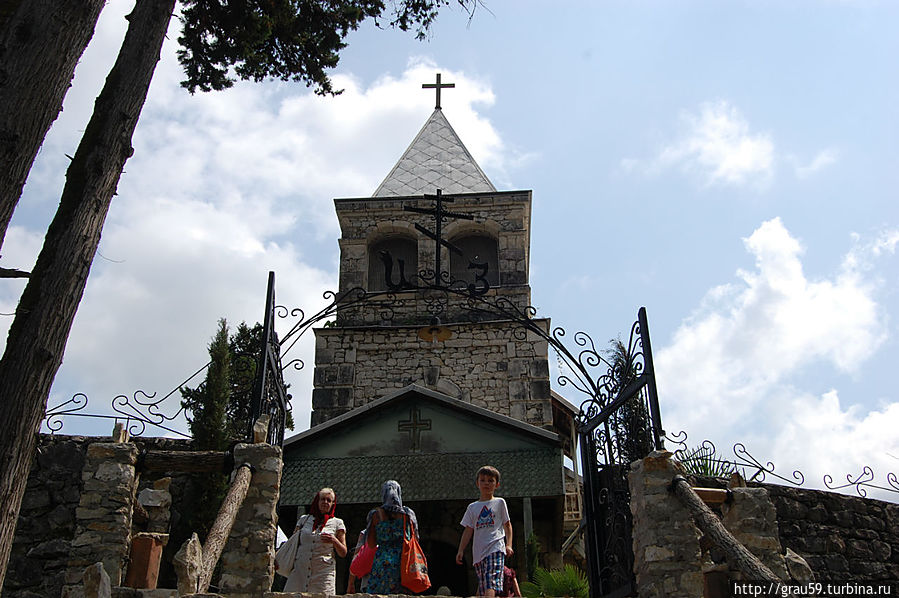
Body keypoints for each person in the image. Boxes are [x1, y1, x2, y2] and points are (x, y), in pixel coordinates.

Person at [455, 466, 514, 597]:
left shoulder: (499, 503)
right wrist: (461, 550)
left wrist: (508, 544)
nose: (486, 483)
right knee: (482, 586)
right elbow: (468, 530)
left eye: (490, 480)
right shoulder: (472, 507)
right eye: (483, 480)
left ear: (497, 484)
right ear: (477, 483)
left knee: (490, 581)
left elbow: (507, 525)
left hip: (496, 547)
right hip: (479, 553)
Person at [283, 487, 348, 595]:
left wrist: (334, 540)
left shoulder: (337, 523)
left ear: (332, 504)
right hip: (300, 571)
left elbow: (343, 552)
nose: (325, 502)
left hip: (323, 574)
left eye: (329, 500)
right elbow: (292, 543)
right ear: (317, 501)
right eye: (322, 499)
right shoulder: (304, 520)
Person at [365, 480, 420, 594]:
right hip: (403, 564)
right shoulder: (408, 514)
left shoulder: (375, 515)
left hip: (381, 564)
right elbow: (414, 539)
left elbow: (371, 544)